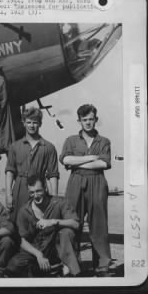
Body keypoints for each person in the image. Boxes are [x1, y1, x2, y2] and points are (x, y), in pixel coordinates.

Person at [59, 104, 112, 276]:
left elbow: (103, 163)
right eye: (84, 120)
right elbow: (66, 159)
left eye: (91, 119)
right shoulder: (71, 140)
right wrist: (90, 157)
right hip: (76, 181)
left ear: (96, 119)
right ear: (79, 121)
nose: (88, 123)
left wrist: (77, 161)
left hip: (97, 182)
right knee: (73, 221)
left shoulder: (104, 141)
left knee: (99, 224)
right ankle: (73, 265)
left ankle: (102, 265)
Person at [5, 175, 81, 277]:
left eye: (38, 191)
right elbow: (21, 240)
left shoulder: (59, 202)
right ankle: (48, 269)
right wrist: (38, 255)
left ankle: (69, 270)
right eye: (32, 192)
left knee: (67, 232)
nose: (35, 195)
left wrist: (53, 222)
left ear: (45, 188)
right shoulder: (24, 211)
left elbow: (75, 224)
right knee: (13, 266)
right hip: (37, 250)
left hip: (56, 249)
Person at [5, 107, 59, 222]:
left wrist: (54, 198)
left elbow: (53, 174)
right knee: (16, 221)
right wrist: (9, 194)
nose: (32, 125)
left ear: (40, 124)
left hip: (39, 187)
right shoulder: (15, 146)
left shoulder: (49, 147)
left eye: (35, 122)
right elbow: (10, 171)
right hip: (20, 188)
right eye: (29, 122)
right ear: (23, 123)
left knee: (39, 220)